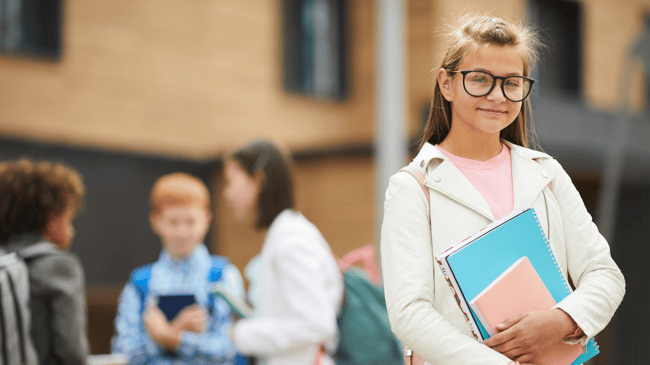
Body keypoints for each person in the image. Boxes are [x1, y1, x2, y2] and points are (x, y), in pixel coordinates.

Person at [380, 14, 626, 365]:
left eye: (511, 83)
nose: (497, 96)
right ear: (446, 84)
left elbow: (605, 274)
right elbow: (409, 312)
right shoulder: (413, 187)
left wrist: (560, 322)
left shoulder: (548, 174)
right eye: (479, 79)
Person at [222, 140, 343, 365]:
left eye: (230, 182)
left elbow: (317, 323)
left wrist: (240, 335)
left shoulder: (292, 242)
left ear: (257, 180)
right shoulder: (288, 234)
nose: (226, 194)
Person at [111, 172, 245, 364]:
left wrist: (169, 336)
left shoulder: (224, 274)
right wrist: (173, 333)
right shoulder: (140, 282)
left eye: (190, 222)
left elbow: (234, 347)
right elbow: (123, 351)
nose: (182, 232)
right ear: (156, 221)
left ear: (207, 220)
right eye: (173, 222)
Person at [0, 158, 90, 365]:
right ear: (52, 218)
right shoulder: (58, 265)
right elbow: (71, 350)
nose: (71, 230)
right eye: (69, 219)